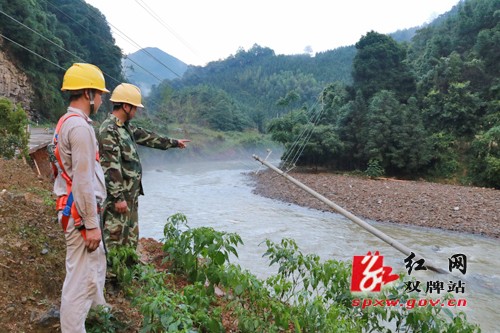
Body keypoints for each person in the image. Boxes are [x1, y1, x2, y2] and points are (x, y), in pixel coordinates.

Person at [51, 63, 109, 332]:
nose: (101, 99)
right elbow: (83, 181)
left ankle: (96, 315)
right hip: (80, 213)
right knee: (79, 282)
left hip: (72, 210)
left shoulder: (65, 122)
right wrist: (91, 224)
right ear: (88, 93)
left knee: (90, 270)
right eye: (99, 94)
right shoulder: (81, 128)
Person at [98, 83, 189, 250]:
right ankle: (112, 276)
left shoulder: (125, 128)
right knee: (115, 240)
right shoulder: (109, 130)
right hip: (119, 199)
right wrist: (118, 197)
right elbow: (110, 165)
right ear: (125, 106)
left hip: (130, 197)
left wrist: (175, 143)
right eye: (135, 108)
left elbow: (148, 137)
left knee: (130, 240)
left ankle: (129, 272)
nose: (136, 111)